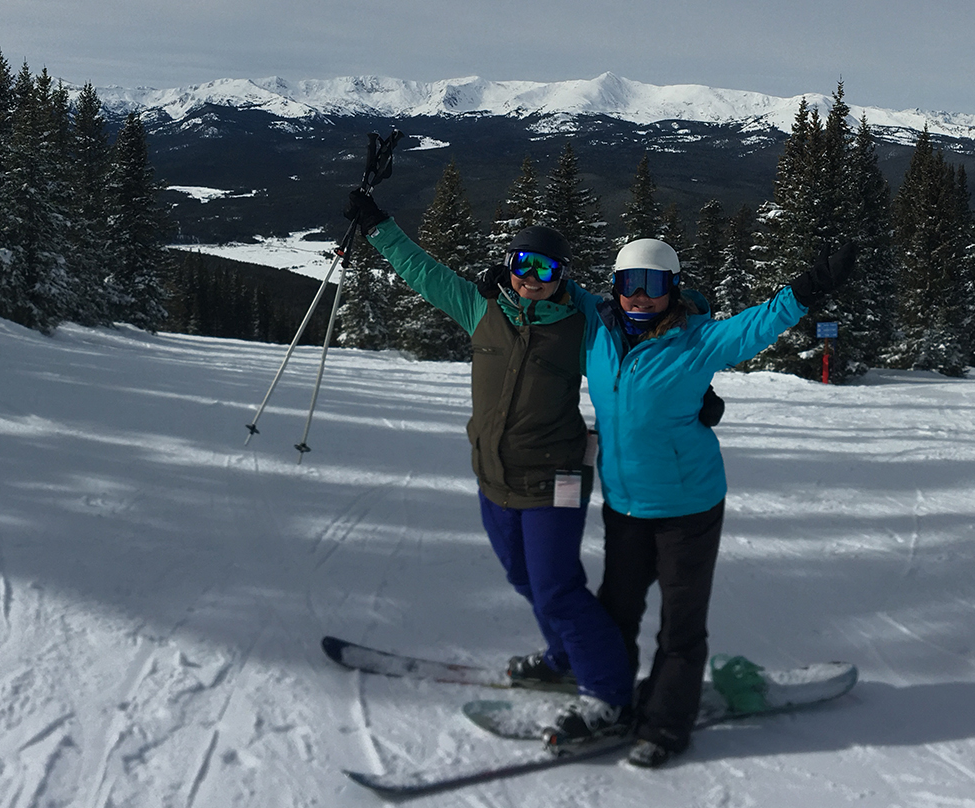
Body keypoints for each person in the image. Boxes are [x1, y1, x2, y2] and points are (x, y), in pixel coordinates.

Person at [343, 188, 637, 743]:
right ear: (508, 267)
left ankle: (609, 696)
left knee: (559, 589)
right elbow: (422, 272)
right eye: (523, 265)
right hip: (495, 477)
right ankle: (564, 658)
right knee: (523, 577)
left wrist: (695, 391)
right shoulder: (482, 308)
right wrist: (378, 224)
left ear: (563, 276)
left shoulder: (585, 323)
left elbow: (650, 326)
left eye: (547, 269)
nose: (533, 277)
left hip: (561, 477)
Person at [583, 237, 853, 768]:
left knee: (680, 626)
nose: (638, 297)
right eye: (628, 285)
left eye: (652, 286)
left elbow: (757, 323)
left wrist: (809, 286)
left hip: (687, 508)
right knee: (615, 614)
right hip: (625, 505)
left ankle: (665, 724)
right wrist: (504, 285)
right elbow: (545, 292)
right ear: (613, 289)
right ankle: (610, 702)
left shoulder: (697, 340)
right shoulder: (596, 332)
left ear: (673, 289)